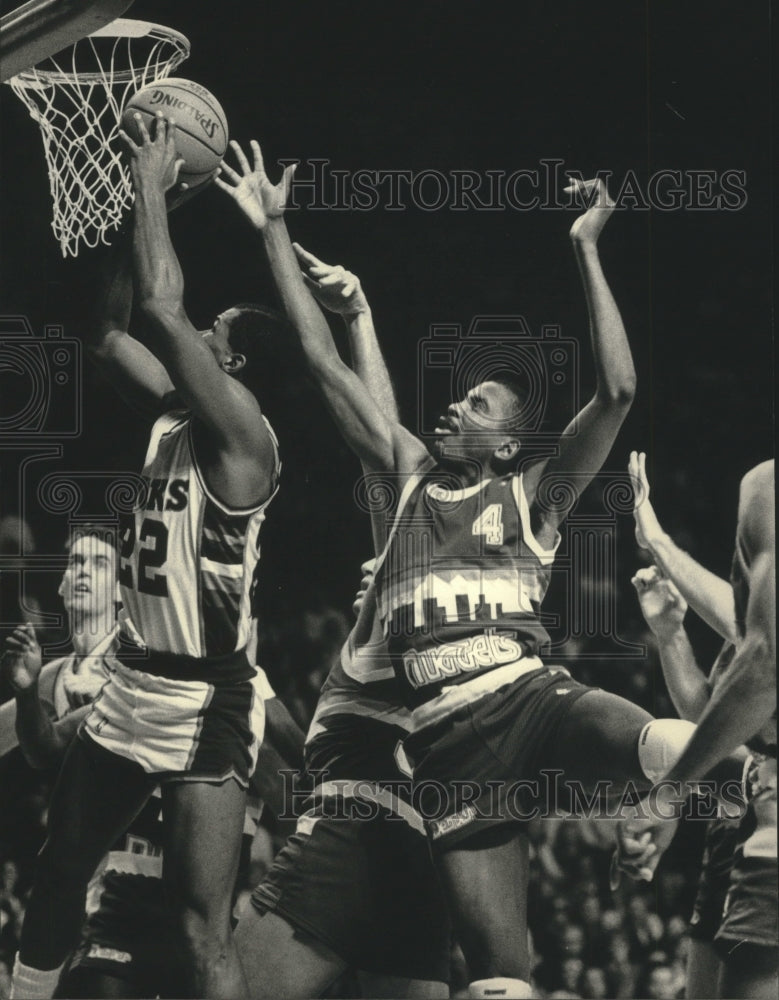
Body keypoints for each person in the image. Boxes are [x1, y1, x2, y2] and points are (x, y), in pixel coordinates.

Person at [215, 141, 721, 999]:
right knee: (499, 976)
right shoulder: (407, 480)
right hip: (451, 754)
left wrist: (586, 248)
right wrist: (272, 229)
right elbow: (324, 365)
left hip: (526, 693)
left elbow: (619, 392)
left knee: (663, 751)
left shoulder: (534, 500)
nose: (454, 405)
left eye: (478, 404)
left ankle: (728, 786)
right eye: (457, 398)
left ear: (509, 442)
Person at [9, 114, 281, 1000]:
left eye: (216, 335)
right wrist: (152, 218)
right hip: (132, 679)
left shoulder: (244, 439)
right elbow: (112, 324)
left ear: (233, 368)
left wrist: (151, 189)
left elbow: (164, 310)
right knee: (58, 869)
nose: (196, 331)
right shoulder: (173, 410)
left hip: (207, 697)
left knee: (203, 931)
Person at [234, 253, 449, 999]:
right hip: (418, 846)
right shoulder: (481, 549)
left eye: (477, 406)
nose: (451, 414)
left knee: (218, 985)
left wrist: (271, 229)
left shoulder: (441, 556)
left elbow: (332, 380)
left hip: (355, 820)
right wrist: (358, 314)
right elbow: (382, 441)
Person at [1, 526, 298, 998]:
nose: (81, 573)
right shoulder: (66, 677)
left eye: (96, 563)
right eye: (75, 562)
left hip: (192, 894)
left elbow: (297, 778)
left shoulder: (229, 682)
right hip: (117, 894)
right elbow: (43, 747)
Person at [618, 453, 777, 999]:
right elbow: (713, 714)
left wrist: (657, 538)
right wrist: (671, 636)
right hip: (740, 816)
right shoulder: (752, 611)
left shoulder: (764, 489)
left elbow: (766, 660)